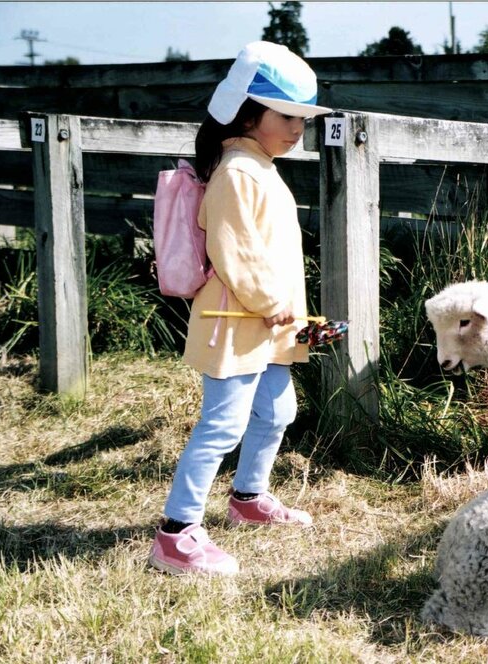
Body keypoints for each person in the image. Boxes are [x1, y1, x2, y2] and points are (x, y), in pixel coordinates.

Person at [149, 41, 331, 576]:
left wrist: (291, 314)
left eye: (303, 118)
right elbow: (236, 250)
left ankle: (248, 498)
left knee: (278, 411)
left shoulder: (260, 166)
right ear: (249, 114)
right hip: (238, 320)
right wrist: (275, 302)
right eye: (288, 116)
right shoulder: (237, 172)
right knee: (221, 425)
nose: (298, 128)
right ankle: (176, 533)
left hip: (268, 323)